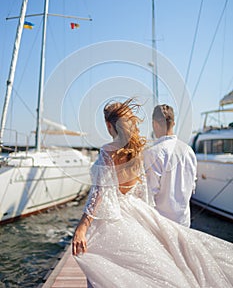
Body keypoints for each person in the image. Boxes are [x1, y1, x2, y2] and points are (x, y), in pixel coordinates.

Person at [72, 98, 233, 288]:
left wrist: (82, 226)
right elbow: (143, 191)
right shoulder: (140, 151)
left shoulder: (108, 150)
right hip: (141, 211)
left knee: (103, 271)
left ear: (109, 125)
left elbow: (100, 191)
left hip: (114, 215)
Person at [144, 104, 197, 227]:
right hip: (184, 222)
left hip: (161, 225)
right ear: (173, 123)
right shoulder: (189, 151)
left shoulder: (152, 153)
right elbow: (192, 186)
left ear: (154, 124)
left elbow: (149, 193)